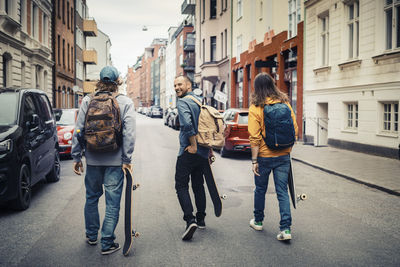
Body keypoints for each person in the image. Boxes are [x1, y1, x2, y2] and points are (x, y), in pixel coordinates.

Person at [71, 66, 136, 255]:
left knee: (91, 198)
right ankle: (107, 242)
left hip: (92, 160)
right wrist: (127, 159)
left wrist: (77, 156)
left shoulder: (87, 100)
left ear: (99, 81)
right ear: (118, 82)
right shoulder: (124, 102)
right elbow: (129, 133)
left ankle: (92, 236)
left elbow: (78, 130)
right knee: (112, 202)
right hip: (115, 162)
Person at [248, 72, 298, 241]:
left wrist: (254, 160)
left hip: (263, 156)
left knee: (260, 189)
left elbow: (254, 137)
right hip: (283, 156)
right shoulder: (285, 103)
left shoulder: (256, 107)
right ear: (272, 85)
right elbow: (295, 129)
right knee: (282, 191)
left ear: (257, 88)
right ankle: (286, 229)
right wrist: (286, 149)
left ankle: (259, 221)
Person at [174, 75, 211, 241]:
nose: (177, 88)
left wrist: (193, 146)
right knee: (198, 184)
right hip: (203, 151)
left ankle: (190, 220)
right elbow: (207, 125)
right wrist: (208, 149)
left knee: (181, 185)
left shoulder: (182, 102)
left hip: (189, 150)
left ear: (188, 85)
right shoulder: (199, 100)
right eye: (175, 85)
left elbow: (187, 125)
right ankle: (201, 218)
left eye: (180, 84)